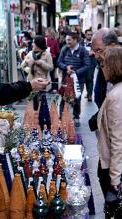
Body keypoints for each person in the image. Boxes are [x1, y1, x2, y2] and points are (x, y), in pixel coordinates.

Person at [97, 47, 122, 217]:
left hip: (113, 168)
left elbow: (118, 141)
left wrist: (114, 181)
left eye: (104, 64)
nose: (102, 68)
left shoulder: (116, 96)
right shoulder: (116, 91)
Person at [57, 31, 90, 127]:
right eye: (66, 40)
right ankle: (61, 117)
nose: (67, 42)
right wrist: (66, 67)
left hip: (78, 80)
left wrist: (76, 72)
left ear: (75, 40)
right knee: (64, 98)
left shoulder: (83, 51)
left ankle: (76, 116)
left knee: (77, 98)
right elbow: (59, 62)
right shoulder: (64, 49)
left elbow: (87, 65)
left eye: (69, 40)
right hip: (65, 79)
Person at [80, 29, 97, 101]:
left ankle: (90, 94)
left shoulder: (95, 43)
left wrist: (94, 53)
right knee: (83, 79)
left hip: (91, 63)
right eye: (88, 34)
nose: (90, 36)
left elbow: (98, 52)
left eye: (91, 34)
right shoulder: (80, 42)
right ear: (85, 35)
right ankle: (81, 94)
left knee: (89, 79)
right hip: (82, 64)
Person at [45, 27, 60, 92]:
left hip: (48, 59)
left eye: (46, 32)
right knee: (54, 74)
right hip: (54, 59)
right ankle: (55, 87)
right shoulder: (55, 41)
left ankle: (53, 87)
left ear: (49, 33)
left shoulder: (46, 40)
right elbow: (58, 51)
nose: (45, 33)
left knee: (51, 74)